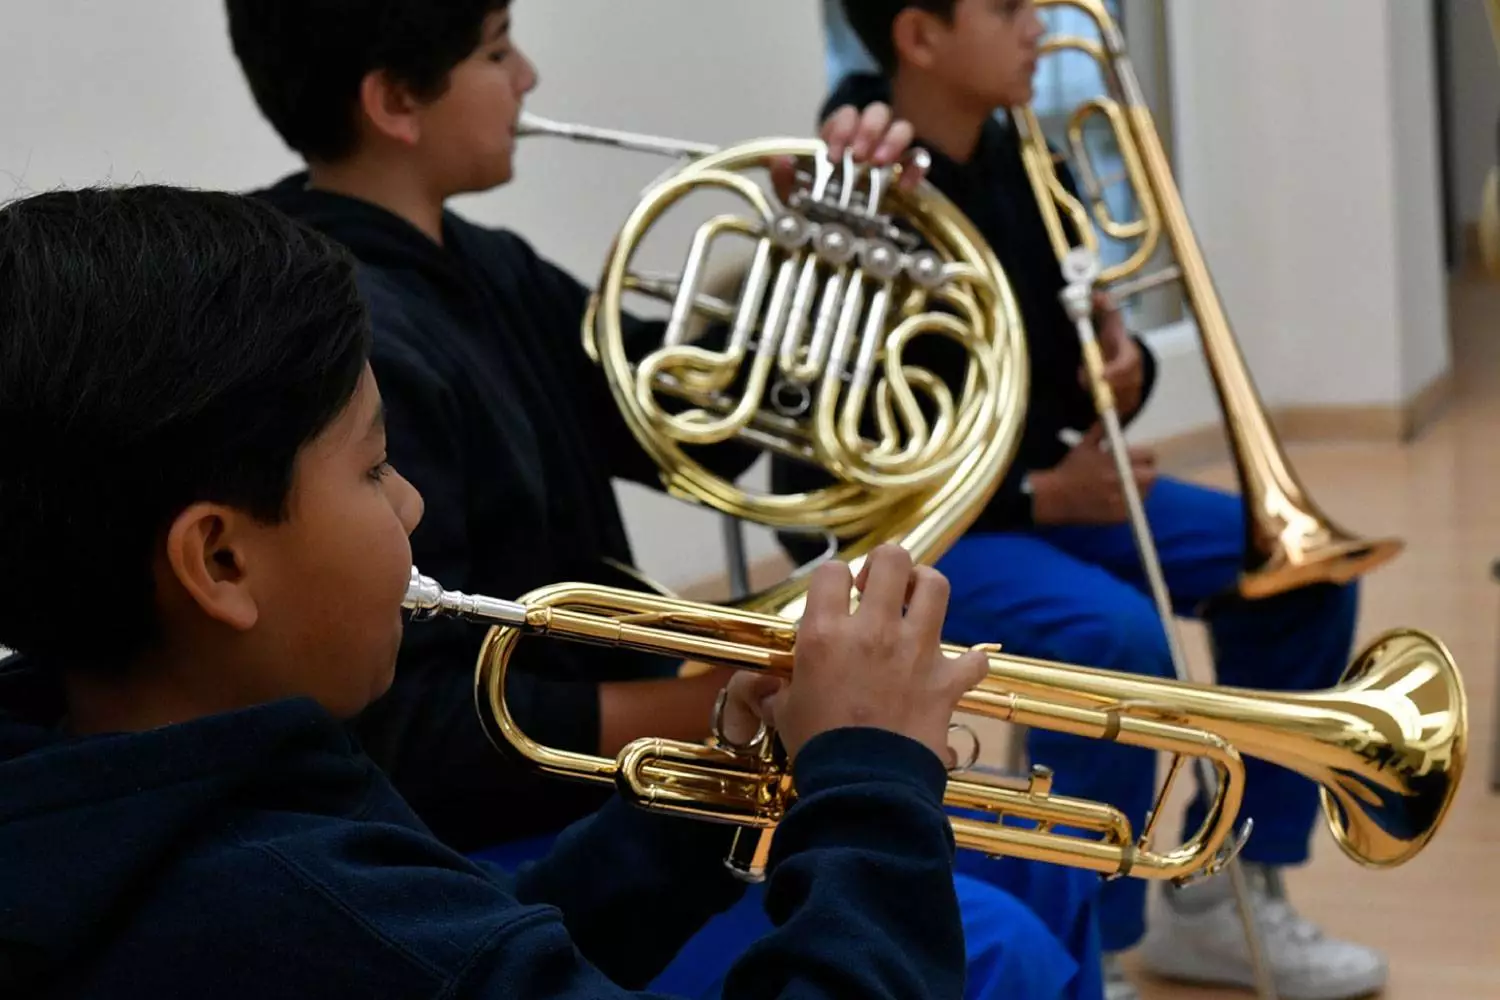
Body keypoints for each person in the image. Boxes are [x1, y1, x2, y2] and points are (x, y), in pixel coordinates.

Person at [222, 2, 1104, 998]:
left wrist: (826, 253)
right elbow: (429, 731)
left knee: (1040, 854)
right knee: (990, 936)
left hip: (634, 793)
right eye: (497, 50)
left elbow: (701, 415)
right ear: (394, 102)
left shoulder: (483, 263)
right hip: (526, 837)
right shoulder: (350, 337)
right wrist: (758, 703)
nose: (529, 80)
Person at [0, 183, 993, 999]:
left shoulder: (82, 773)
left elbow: (493, 946)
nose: (414, 502)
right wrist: (870, 783)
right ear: (219, 562)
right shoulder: (303, 908)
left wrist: (705, 797)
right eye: (375, 467)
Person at [773, 3, 1392, 1000]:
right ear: (918, 38)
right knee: (1113, 641)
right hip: (908, 532)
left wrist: (1127, 362)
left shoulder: (1018, 150)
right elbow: (822, 445)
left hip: (1044, 496)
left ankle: (1228, 889)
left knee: (1299, 572)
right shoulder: (853, 179)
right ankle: (1088, 949)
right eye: (1006, 8)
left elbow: (1070, 346)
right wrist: (1040, 494)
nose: (1037, 23)